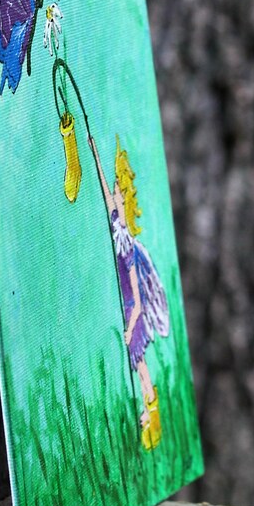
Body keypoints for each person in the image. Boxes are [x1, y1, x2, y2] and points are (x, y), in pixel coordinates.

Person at [89, 134, 170, 451]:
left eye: (121, 197)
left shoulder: (128, 249)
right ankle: (150, 408)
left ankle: (151, 409)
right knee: (139, 362)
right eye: (116, 196)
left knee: (138, 360)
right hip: (128, 307)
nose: (116, 199)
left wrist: (131, 322)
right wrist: (95, 152)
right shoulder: (116, 224)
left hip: (133, 308)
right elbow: (104, 191)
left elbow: (135, 288)